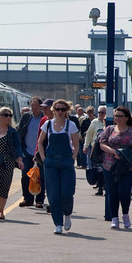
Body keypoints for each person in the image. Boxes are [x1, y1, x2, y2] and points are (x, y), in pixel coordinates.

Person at [37, 99, 81, 234]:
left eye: (63, 109)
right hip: (51, 164)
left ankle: (67, 214)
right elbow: (40, 143)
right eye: (57, 109)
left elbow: (76, 144)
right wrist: (44, 159)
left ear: (66, 110)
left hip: (66, 162)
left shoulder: (71, 125)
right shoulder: (47, 125)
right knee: (53, 194)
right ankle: (58, 223)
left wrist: (72, 159)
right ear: (53, 110)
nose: (60, 112)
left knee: (67, 193)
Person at [99, 106, 132, 229]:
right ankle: (114, 217)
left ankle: (125, 214)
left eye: (120, 116)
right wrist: (114, 152)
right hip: (110, 165)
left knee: (124, 191)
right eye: (116, 116)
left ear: (127, 118)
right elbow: (102, 143)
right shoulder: (109, 129)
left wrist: (123, 153)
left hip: (127, 166)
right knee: (112, 192)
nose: (117, 118)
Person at [17, 97, 46, 207]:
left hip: (40, 152)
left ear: (41, 107)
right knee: (25, 175)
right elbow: (20, 130)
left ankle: (39, 200)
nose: (34, 110)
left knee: (41, 177)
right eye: (32, 108)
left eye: (37, 108)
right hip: (27, 151)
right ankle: (27, 199)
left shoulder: (45, 118)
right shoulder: (26, 117)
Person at [84, 106, 107, 196]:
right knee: (98, 169)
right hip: (96, 149)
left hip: (107, 149)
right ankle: (100, 187)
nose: (101, 114)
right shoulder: (94, 122)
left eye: (103, 113)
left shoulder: (110, 122)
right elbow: (89, 135)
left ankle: (104, 186)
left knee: (104, 169)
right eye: (99, 112)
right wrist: (86, 146)